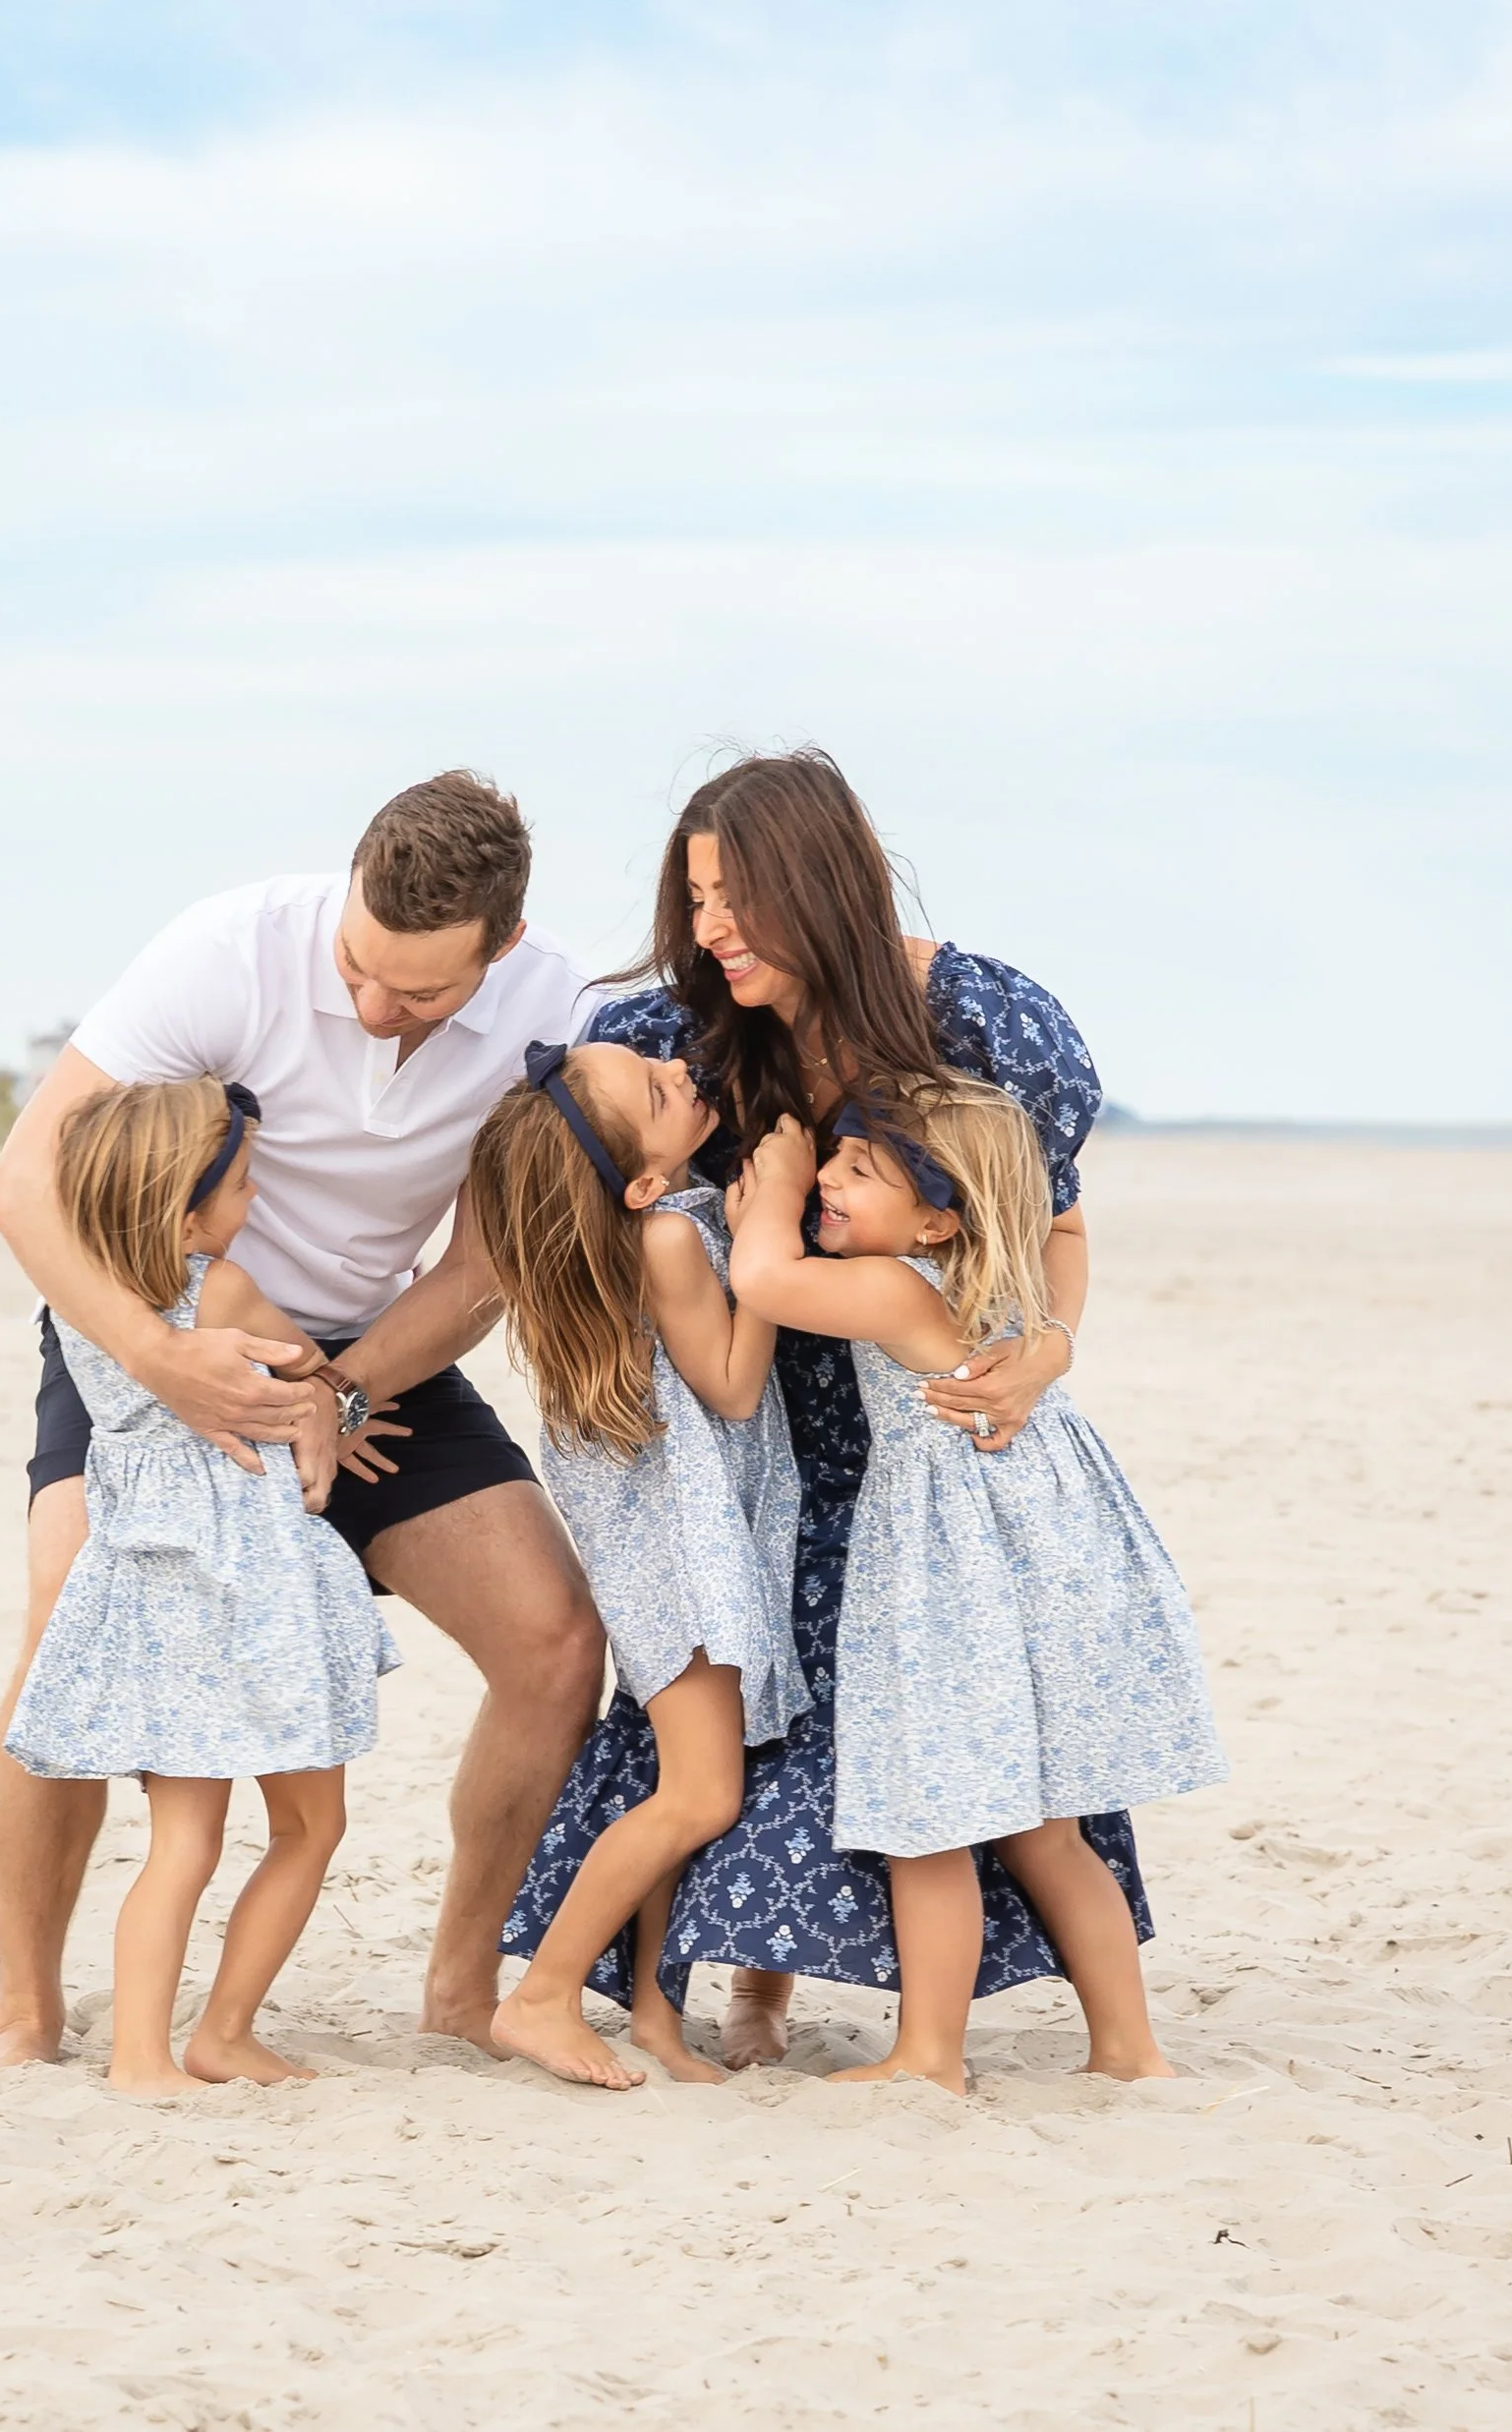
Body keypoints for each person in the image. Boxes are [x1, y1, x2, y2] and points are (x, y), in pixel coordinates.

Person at [503, 747, 1144, 2069]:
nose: (709, 927)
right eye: (695, 895)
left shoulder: (981, 1017)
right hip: (745, 1441)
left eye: (736, 894)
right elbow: (561, 1210)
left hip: (923, 1435)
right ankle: (744, 1989)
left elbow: (1054, 1221)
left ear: (823, 881)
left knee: (925, 1731)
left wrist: (1049, 1343)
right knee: (753, 1714)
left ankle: (984, 2029)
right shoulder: (671, 1036)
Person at [0, 772, 606, 2068]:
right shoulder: (228, 950)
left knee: (553, 1640)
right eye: (358, 970)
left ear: (500, 943)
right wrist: (166, 1356)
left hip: (377, 1354)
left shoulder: (556, 1008)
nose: (375, 1008)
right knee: (62, 1623)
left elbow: (480, 1268)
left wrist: (337, 1387)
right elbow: (22, 1184)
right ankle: (26, 2010)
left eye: (419, 992)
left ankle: (456, 1984)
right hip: (154, 1330)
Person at [729, 1088, 1224, 2092]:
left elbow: (764, 1280)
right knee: (1048, 1832)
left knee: (930, 1821)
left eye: (859, 1171)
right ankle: (1130, 2050)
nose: (828, 1174)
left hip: (950, 1570)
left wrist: (772, 1189)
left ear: (936, 1221)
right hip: (1038, 1555)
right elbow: (1066, 1221)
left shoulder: (895, 1287)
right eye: (836, 1159)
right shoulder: (1007, 1285)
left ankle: (928, 2056)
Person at [4, 1073, 397, 2093]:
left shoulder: (86, 1313)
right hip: (249, 1594)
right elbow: (313, 1369)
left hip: (160, 1592)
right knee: (310, 1826)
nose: (256, 1199)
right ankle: (217, 2030)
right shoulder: (217, 1290)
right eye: (245, 1183)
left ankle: (143, 2053)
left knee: (182, 1840)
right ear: (184, 1211)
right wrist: (337, 1413)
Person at [466, 1040, 804, 2089]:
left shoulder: (647, 1223)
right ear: (644, 1181)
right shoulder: (666, 1236)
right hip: (686, 1563)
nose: (681, 1070)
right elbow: (738, 1386)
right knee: (702, 1797)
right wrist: (766, 1236)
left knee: (685, 1784)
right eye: (658, 1092)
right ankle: (542, 1994)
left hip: (673, 1552)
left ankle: (655, 2016)